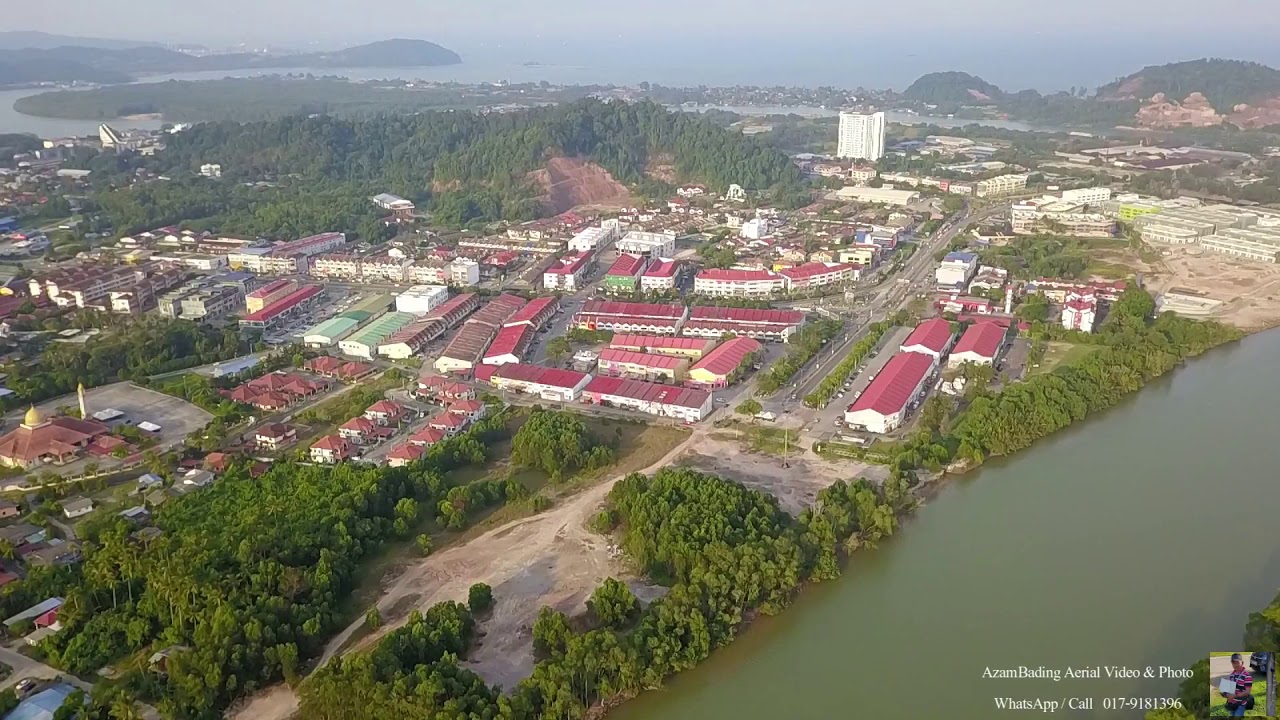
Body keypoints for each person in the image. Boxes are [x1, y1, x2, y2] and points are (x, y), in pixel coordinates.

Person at [1222, 653, 1254, 717]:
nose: (1235, 665)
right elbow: (1230, 689)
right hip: (1232, 703)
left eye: (1237, 662)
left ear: (1242, 662)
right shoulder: (1232, 675)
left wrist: (1235, 696)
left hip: (1241, 703)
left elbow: (1247, 692)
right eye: (1233, 663)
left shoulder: (1247, 676)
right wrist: (1225, 693)